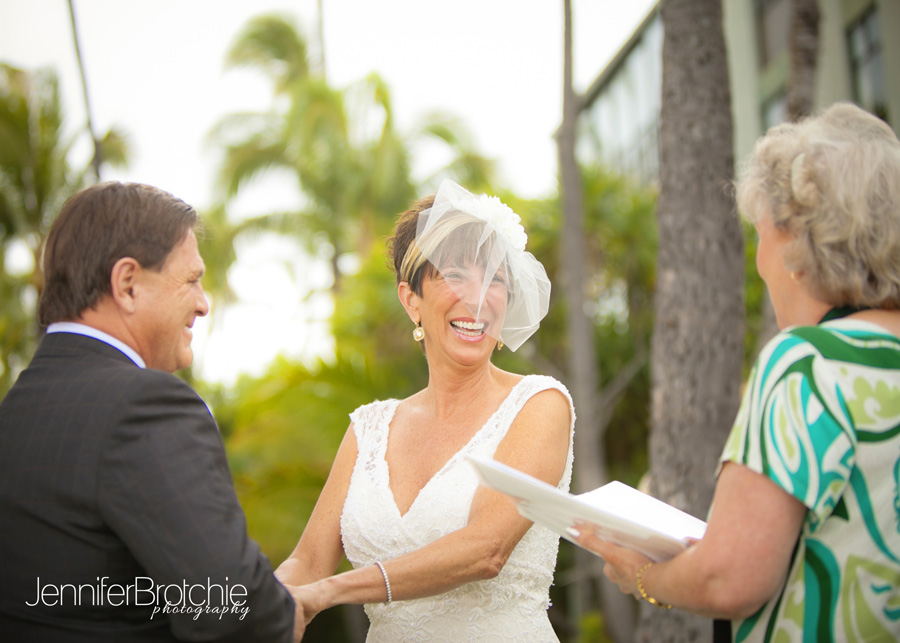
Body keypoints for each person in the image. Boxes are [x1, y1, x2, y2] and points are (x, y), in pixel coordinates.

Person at [570, 102, 900, 641]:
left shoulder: (807, 365)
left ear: (797, 243)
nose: (759, 259)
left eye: (761, 235)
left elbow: (730, 578)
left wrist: (646, 576)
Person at [0, 182, 301, 642]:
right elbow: (233, 609)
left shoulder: (15, 412)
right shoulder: (144, 406)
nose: (203, 303)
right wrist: (283, 609)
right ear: (127, 284)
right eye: (192, 279)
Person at [275, 179, 575, 641]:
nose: (478, 297)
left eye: (495, 278)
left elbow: (485, 549)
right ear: (410, 298)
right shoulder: (369, 428)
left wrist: (329, 592)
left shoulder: (539, 404)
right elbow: (308, 562)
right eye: (455, 274)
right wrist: (256, 603)